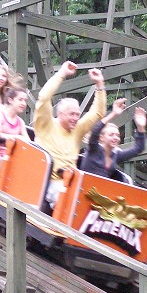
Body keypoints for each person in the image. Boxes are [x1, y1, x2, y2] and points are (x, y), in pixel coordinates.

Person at [33, 60, 106, 209]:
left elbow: (98, 113)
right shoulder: (46, 124)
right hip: (49, 181)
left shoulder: (77, 129)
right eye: (71, 114)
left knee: (95, 201)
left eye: (77, 114)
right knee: (67, 197)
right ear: (60, 113)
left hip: (71, 181)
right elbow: (43, 97)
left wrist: (100, 84)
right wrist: (62, 74)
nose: (75, 118)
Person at [80, 98, 146, 180]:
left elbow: (138, 148)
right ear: (102, 137)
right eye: (111, 135)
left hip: (100, 190)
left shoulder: (116, 155)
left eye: (117, 135)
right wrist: (113, 113)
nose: (115, 138)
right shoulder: (94, 149)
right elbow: (96, 130)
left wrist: (140, 127)